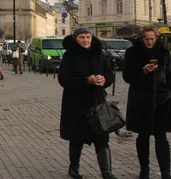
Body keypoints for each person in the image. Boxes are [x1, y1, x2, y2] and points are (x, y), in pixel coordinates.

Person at [58, 27, 117, 179]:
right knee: (77, 137)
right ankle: (74, 168)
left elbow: (109, 74)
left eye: (88, 37)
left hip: (97, 101)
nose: (85, 40)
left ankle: (106, 171)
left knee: (102, 137)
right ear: (76, 39)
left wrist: (105, 80)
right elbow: (63, 79)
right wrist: (86, 80)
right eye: (82, 37)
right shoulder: (70, 55)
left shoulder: (99, 54)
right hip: (76, 103)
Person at [123, 25, 171, 179]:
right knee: (143, 137)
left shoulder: (163, 53)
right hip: (141, 101)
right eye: (146, 39)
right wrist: (142, 70)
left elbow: (169, 75)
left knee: (161, 137)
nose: (149, 42)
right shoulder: (132, 52)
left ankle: (166, 171)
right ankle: (144, 169)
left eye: (152, 38)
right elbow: (127, 76)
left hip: (161, 100)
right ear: (141, 38)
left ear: (156, 38)